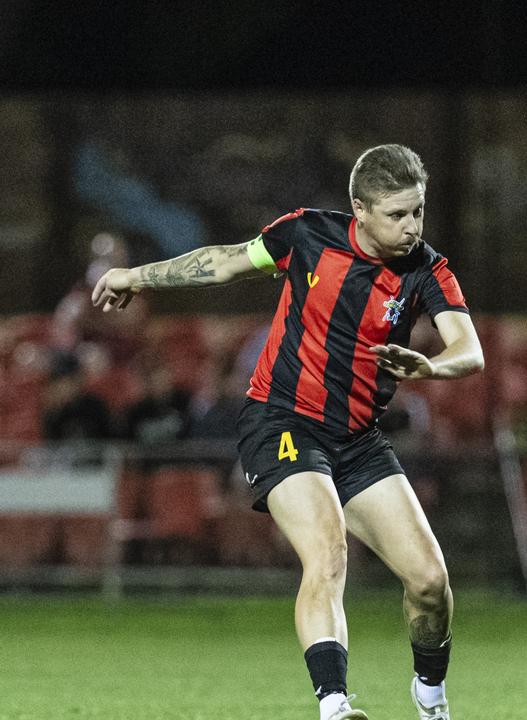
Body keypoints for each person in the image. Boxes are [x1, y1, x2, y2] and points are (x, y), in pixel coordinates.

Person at [92, 144, 483, 720]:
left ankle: (431, 700)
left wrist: (433, 367)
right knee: (326, 552)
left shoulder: (425, 267)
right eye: (397, 214)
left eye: (418, 211)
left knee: (430, 583)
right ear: (360, 208)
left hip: (359, 440)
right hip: (282, 421)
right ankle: (335, 705)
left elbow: (468, 350)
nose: (411, 226)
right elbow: (225, 261)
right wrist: (139, 276)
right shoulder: (307, 235)